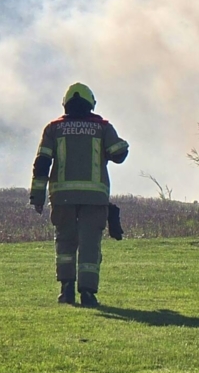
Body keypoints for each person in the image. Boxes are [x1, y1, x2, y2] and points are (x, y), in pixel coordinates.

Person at [29, 83, 129, 306]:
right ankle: (88, 293)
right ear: (90, 104)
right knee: (90, 243)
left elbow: (42, 163)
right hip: (94, 198)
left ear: (65, 104)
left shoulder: (53, 128)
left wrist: (37, 196)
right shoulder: (102, 127)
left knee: (65, 241)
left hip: (62, 197)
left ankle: (66, 291)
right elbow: (119, 154)